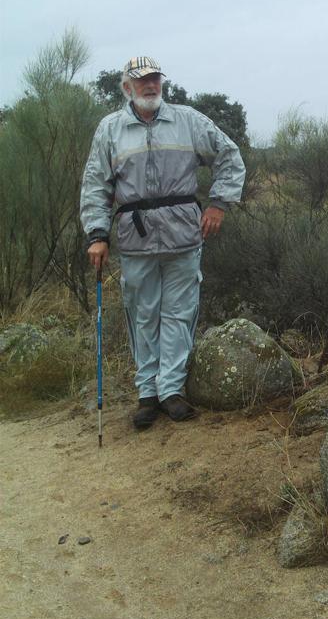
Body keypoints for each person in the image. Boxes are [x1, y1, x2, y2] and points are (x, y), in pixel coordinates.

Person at [80, 56, 246, 430]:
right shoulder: (111, 130)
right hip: (135, 240)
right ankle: (147, 394)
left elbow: (229, 156)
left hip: (183, 236)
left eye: (155, 79)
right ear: (127, 88)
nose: (151, 86)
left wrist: (219, 203)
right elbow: (95, 184)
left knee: (179, 313)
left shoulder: (188, 120)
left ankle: (171, 390)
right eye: (142, 81)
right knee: (143, 314)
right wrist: (97, 234)